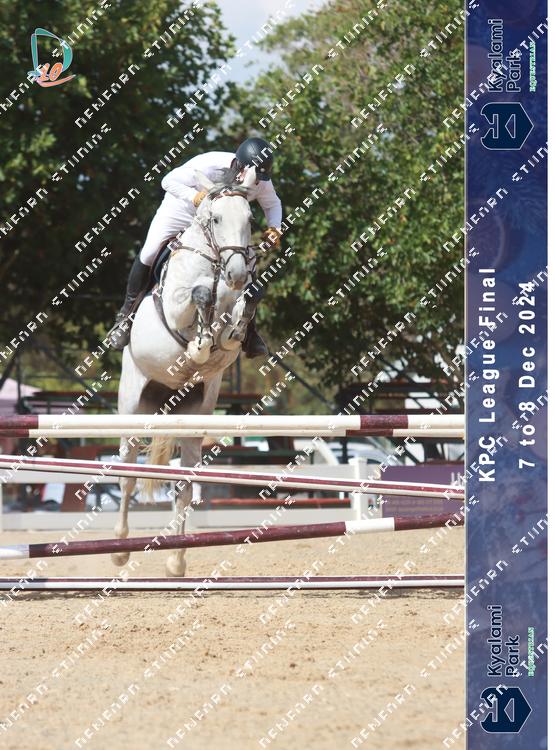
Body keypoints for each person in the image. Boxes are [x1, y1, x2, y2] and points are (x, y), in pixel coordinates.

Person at [107, 137, 282, 356]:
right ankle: (125, 318)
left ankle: (250, 331)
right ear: (240, 164)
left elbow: (273, 203)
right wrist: (195, 196)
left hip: (220, 220)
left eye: (260, 177)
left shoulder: (260, 179)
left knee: (246, 259)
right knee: (150, 251)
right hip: (183, 210)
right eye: (253, 174)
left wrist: (275, 228)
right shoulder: (210, 163)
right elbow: (167, 181)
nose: (257, 182)